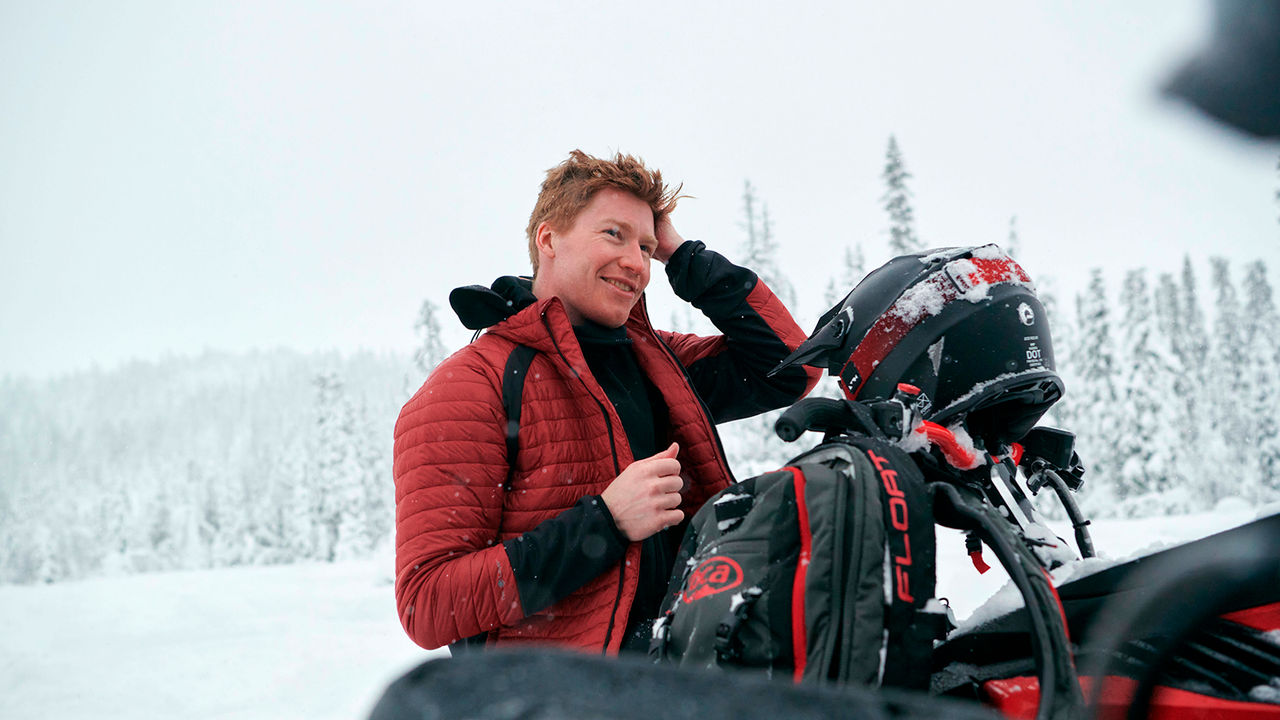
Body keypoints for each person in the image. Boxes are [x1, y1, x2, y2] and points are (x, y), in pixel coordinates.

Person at [393, 150, 820, 655]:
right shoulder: (473, 383)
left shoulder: (657, 364)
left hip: (682, 673)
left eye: (645, 245)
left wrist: (680, 253)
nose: (636, 262)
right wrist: (605, 522)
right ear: (548, 239)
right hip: (556, 700)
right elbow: (429, 602)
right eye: (613, 234)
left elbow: (790, 365)